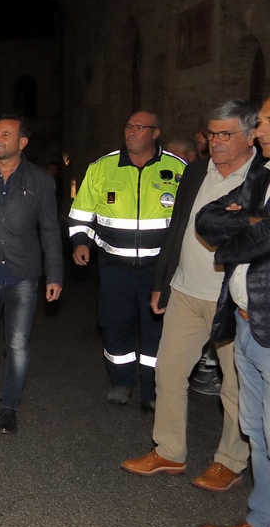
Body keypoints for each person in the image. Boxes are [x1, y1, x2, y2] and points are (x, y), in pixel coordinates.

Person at [120, 100, 257, 489]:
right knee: (168, 372)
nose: (216, 141)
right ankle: (169, 450)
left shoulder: (261, 180)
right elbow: (177, 229)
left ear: (250, 136)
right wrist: (161, 283)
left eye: (226, 134)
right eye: (212, 134)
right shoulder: (196, 171)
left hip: (234, 302)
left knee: (234, 387)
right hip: (184, 291)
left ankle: (230, 460)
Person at [196, 96, 270, 527]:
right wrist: (250, 219)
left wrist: (236, 237)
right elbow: (207, 219)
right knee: (258, 433)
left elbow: (265, 237)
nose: (259, 130)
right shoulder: (262, 174)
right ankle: (262, 520)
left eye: (265, 121)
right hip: (246, 321)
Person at [68, 111, 186, 409]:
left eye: (140, 127)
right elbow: (81, 214)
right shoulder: (103, 167)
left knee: (156, 330)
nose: (131, 132)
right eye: (129, 126)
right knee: (114, 324)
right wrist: (80, 242)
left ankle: (152, 390)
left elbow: (189, 220)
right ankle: (121, 382)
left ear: (155, 133)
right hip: (114, 268)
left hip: (159, 270)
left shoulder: (177, 168)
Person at [0, 114, 63, 434]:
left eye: (5, 135)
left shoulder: (41, 181)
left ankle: (9, 406)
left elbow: (50, 230)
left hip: (23, 274)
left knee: (18, 344)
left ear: (23, 142)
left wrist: (54, 275)